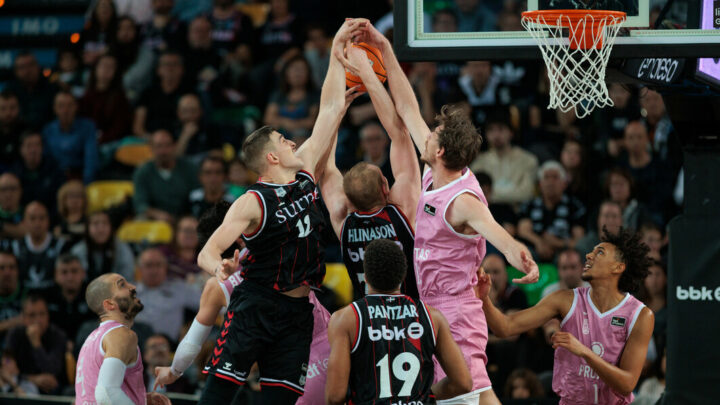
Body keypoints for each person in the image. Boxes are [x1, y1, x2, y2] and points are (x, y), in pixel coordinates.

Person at [351, 21, 538, 404]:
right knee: (476, 395)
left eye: (433, 133)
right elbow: (407, 107)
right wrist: (384, 47)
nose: (427, 132)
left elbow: (499, 234)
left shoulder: (462, 200)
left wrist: (524, 258)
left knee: (467, 392)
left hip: (456, 311)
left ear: (439, 150)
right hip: (433, 307)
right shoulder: (436, 171)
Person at [195, 19, 365, 404]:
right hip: (256, 304)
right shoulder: (252, 201)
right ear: (272, 157)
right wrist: (218, 268)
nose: (292, 142)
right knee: (218, 396)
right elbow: (207, 251)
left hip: (299, 311)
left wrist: (336, 50)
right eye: (283, 140)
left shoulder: (304, 172)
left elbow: (330, 107)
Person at [153, 201, 332, 405]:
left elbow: (192, 343)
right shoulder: (276, 246)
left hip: (301, 362)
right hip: (330, 344)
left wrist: (173, 371)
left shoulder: (217, 286)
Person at [476, 227, 655, 404]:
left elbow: (626, 384)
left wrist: (584, 352)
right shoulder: (564, 300)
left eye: (599, 252)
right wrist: (484, 299)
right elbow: (505, 327)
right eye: (591, 251)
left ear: (618, 267)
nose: (588, 255)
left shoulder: (640, 315)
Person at [319, 44, 420, 299]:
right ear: (385, 188)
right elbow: (399, 135)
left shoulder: (343, 222)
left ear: (348, 199)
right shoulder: (402, 211)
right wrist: (368, 72)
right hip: (410, 312)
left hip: (365, 315)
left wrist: (335, 112)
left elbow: (326, 168)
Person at [325, 239, 472, 404]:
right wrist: (426, 395)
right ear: (403, 275)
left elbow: (335, 396)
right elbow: (463, 383)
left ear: (365, 277)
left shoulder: (346, 319)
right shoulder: (432, 316)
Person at [74, 273, 171, 405]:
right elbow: (106, 392)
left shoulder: (92, 339)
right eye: (122, 285)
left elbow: (95, 394)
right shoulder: (121, 334)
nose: (133, 287)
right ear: (110, 304)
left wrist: (140, 399)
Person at [518, 161, 587, 261]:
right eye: (546, 177)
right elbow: (523, 231)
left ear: (564, 183)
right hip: (535, 250)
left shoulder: (575, 206)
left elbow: (579, 240)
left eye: (555, 177)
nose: (550, 182)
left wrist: (557, 243)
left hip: (564, 252)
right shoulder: (529, 205)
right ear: (540, 184)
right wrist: (539, 242)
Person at [133, 248, 201, 342]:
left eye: (158, 265)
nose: (154, 270)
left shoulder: (180, 288)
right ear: (139, 269)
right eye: (149, 265)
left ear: (166, 268)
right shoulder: (130, 292)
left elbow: (209, 303)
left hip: (170, 345)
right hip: (136, 345)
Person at [132, 129, 199, 222]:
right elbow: (140, 204)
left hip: (185, 218)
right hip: (155, 220)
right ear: (151, 148)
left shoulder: (189, 168)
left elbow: (198, 196)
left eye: (167, 146)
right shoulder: (143, 171)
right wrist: (157, 214)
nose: (163, 151)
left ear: (174, 146)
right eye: (159, 146)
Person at [4, 294, 66, 394]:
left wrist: (36, 344)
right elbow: (7, 366)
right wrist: (33, 379)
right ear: (23, 318)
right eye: (32, 315)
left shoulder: (58, 336)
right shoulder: (14, 334)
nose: (38, 320)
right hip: (21, 385)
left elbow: (52, 371)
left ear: (48, 316)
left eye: (42, 314)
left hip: (50, 389)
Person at [42, 91, 99, 183]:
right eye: (61, 106)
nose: (65, 110)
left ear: (76, 107)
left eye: (69, 105)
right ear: (55, 108)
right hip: (55, 178)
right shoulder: (48, 130)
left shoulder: (87, 127)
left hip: (79, 176)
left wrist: (86, 183)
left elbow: (91, 159)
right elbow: (45, 160)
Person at [12, 202, 65, 290]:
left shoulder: (60, 245)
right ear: (24, 222)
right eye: (32, 218)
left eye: (42, 218)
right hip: (24, 297)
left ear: (48, 220)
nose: (37, 223)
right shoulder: (16, 246)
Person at [43, 254, 94, 344]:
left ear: (83, 273)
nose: (70, 277)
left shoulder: (93, 296)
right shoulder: (47, 297)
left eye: (74, 271)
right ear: (56, 275)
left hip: (87, 345)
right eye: (64, 272)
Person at [71, 211, 135, 281]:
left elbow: (127, 278)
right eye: (95, 224)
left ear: (111, 227)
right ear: (87, 228)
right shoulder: (78, 251)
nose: (101, 230)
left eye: (105, 223)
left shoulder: (122, 249)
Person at [0, 251, 27, 347]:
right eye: (1, 268)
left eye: (12, 267)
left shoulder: (28, 294)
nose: (7, 273)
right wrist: (15, 322)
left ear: (18, 271)